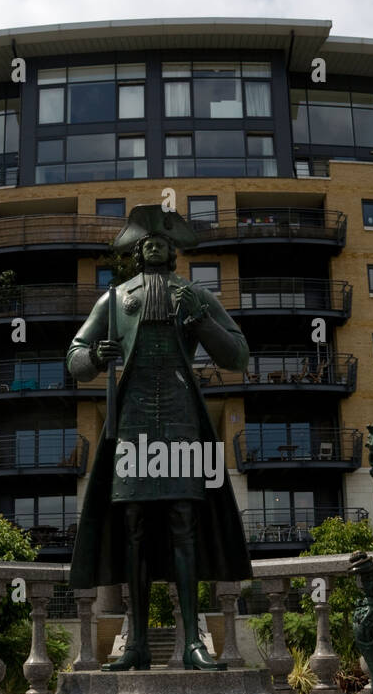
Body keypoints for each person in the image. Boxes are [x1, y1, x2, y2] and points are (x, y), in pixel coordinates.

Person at [67, 204, 252, 670]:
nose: (154, 245)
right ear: (135, 251)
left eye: (163, 241)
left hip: (180, 419)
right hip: (131, 422)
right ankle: (137, 645)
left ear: (173, 253)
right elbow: (73, 356)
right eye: (146, 240)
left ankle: (192, 643)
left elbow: (239, 356)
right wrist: (95, 354)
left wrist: (202, 322)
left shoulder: (193, 294)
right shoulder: (114, 299)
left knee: (183, 524)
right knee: (133, 527)